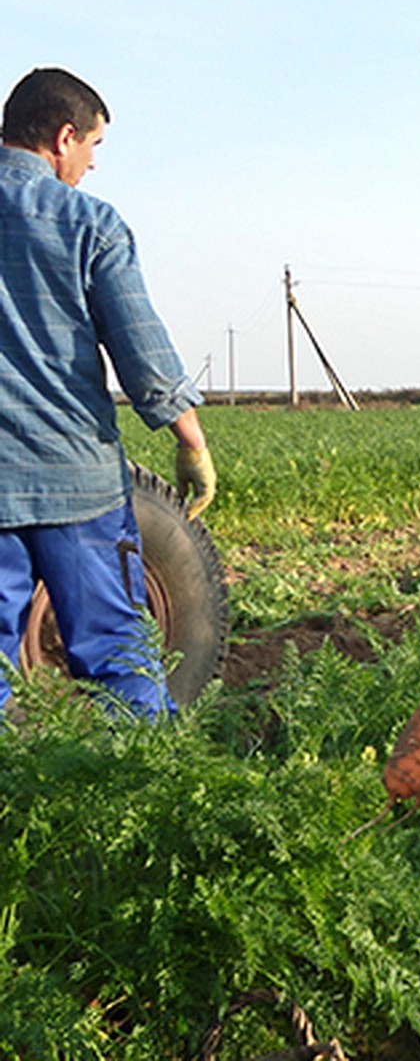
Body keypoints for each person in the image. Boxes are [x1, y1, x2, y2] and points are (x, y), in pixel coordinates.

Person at [0, 66, 216, 720]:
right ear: (64, 137)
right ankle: (142, 796)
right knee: (118, 652)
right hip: (76, 484)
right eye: (93, 147)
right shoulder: (89, 223)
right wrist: (191, 444)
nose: (91, 166)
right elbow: (143, 355)